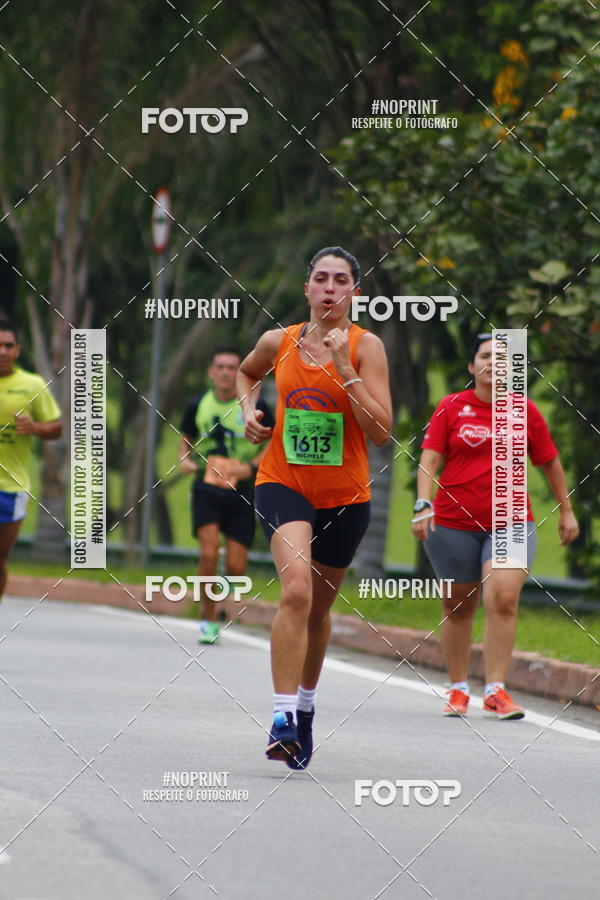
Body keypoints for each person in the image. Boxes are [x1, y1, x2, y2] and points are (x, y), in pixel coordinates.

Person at [237, 246, 392, 767]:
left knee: (320, 612)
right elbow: (246, 372)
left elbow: (381, 432)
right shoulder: (276, 341)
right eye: (321, 279)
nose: (329, 288)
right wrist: (247, 411)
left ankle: (305, 709)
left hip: (346, 497)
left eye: (340, 280)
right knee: (297, 590)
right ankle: (281, 716)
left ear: (355, 293)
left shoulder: (366, 347)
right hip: (283, 482)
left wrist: (346, 369)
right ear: (307, 289)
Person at [412, 333, 579, 719]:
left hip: (512, 520)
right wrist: (422, 504)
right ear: (472, 366)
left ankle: (496, 691)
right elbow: (429, 461)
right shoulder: (451, 407)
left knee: (502, 597)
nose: (494, 363)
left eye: (503, 358)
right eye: (486, 356)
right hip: (453, 523)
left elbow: (550, 462)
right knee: (457, 604)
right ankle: (457, 689)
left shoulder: (525, 412)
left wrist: (566, 510)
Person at [179, 347, 273, 644]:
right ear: (211, 372)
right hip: (206, 487)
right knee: (208, 552)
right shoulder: (198, 405)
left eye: (232, 367)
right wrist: (185, 459)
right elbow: (186, 438)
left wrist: (250, 468)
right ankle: (207, 619)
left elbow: (274, 439)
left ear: (240, 372)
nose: (225, 372)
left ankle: (221, 582)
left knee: (236, 566)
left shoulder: (257, 406)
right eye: (219, 366)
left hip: (242, 491)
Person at [0, 319, 61, 601]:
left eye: (8, 345)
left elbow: (56, 427)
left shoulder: (32, 384)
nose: (2, 351)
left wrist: (35, 428)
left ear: (18, 350)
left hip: (11, 488)